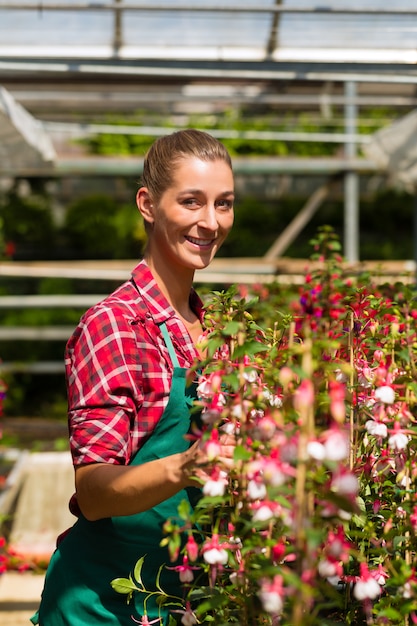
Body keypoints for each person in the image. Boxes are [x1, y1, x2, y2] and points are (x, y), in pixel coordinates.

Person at [31, 129, 236, 626]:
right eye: (192, 202)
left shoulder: (224, 330)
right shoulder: (116, 325)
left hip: (185, 603)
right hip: (103, 607)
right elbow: (97, 492)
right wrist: (187, 465)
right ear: (147, 203)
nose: (211, 222)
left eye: (224, 204)